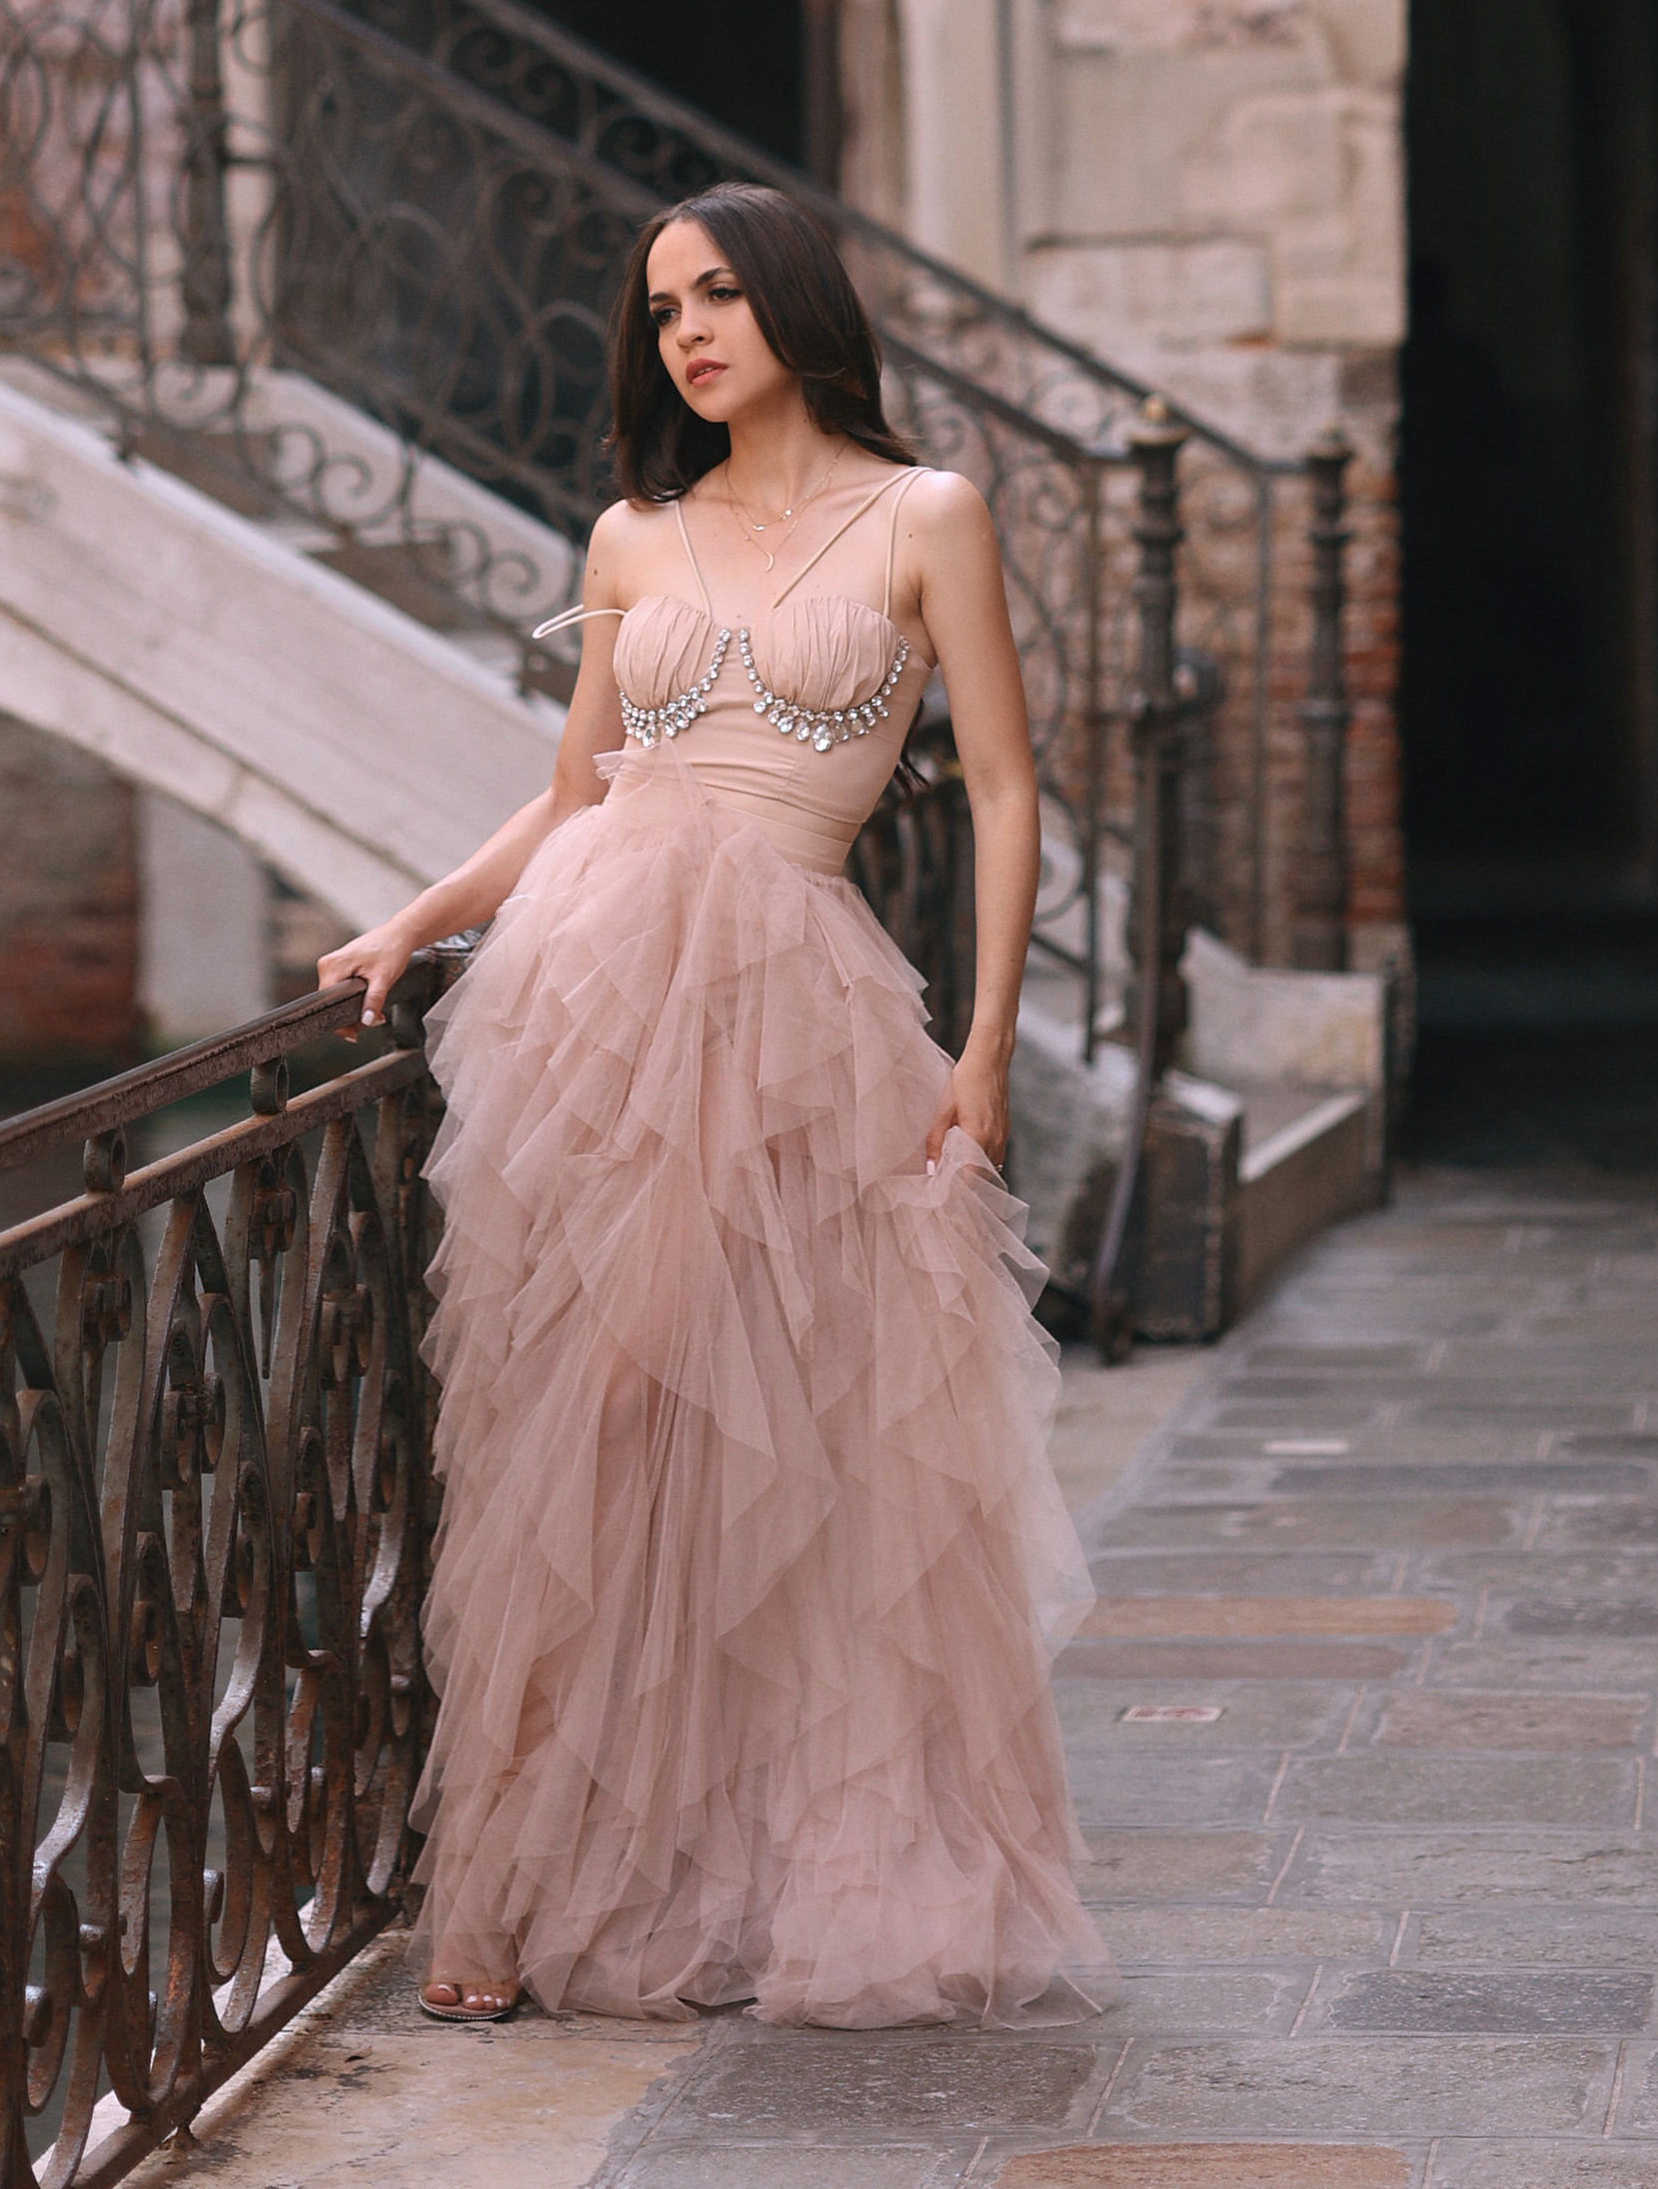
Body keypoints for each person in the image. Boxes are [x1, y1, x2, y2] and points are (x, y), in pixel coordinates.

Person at [318, 181, 1098, 2029]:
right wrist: (416, 919)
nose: (689, 330)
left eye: (724, 293)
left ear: (799, 305)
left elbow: (1001, 782)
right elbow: (579, 790)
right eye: (664, 306)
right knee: (578, 1432)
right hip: (594, 1005)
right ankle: (522, 1892)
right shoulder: (633, 532)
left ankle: (780, 1870)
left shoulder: (928, 517)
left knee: (804, 1448)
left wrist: (985, 1046)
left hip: (802, 1010)